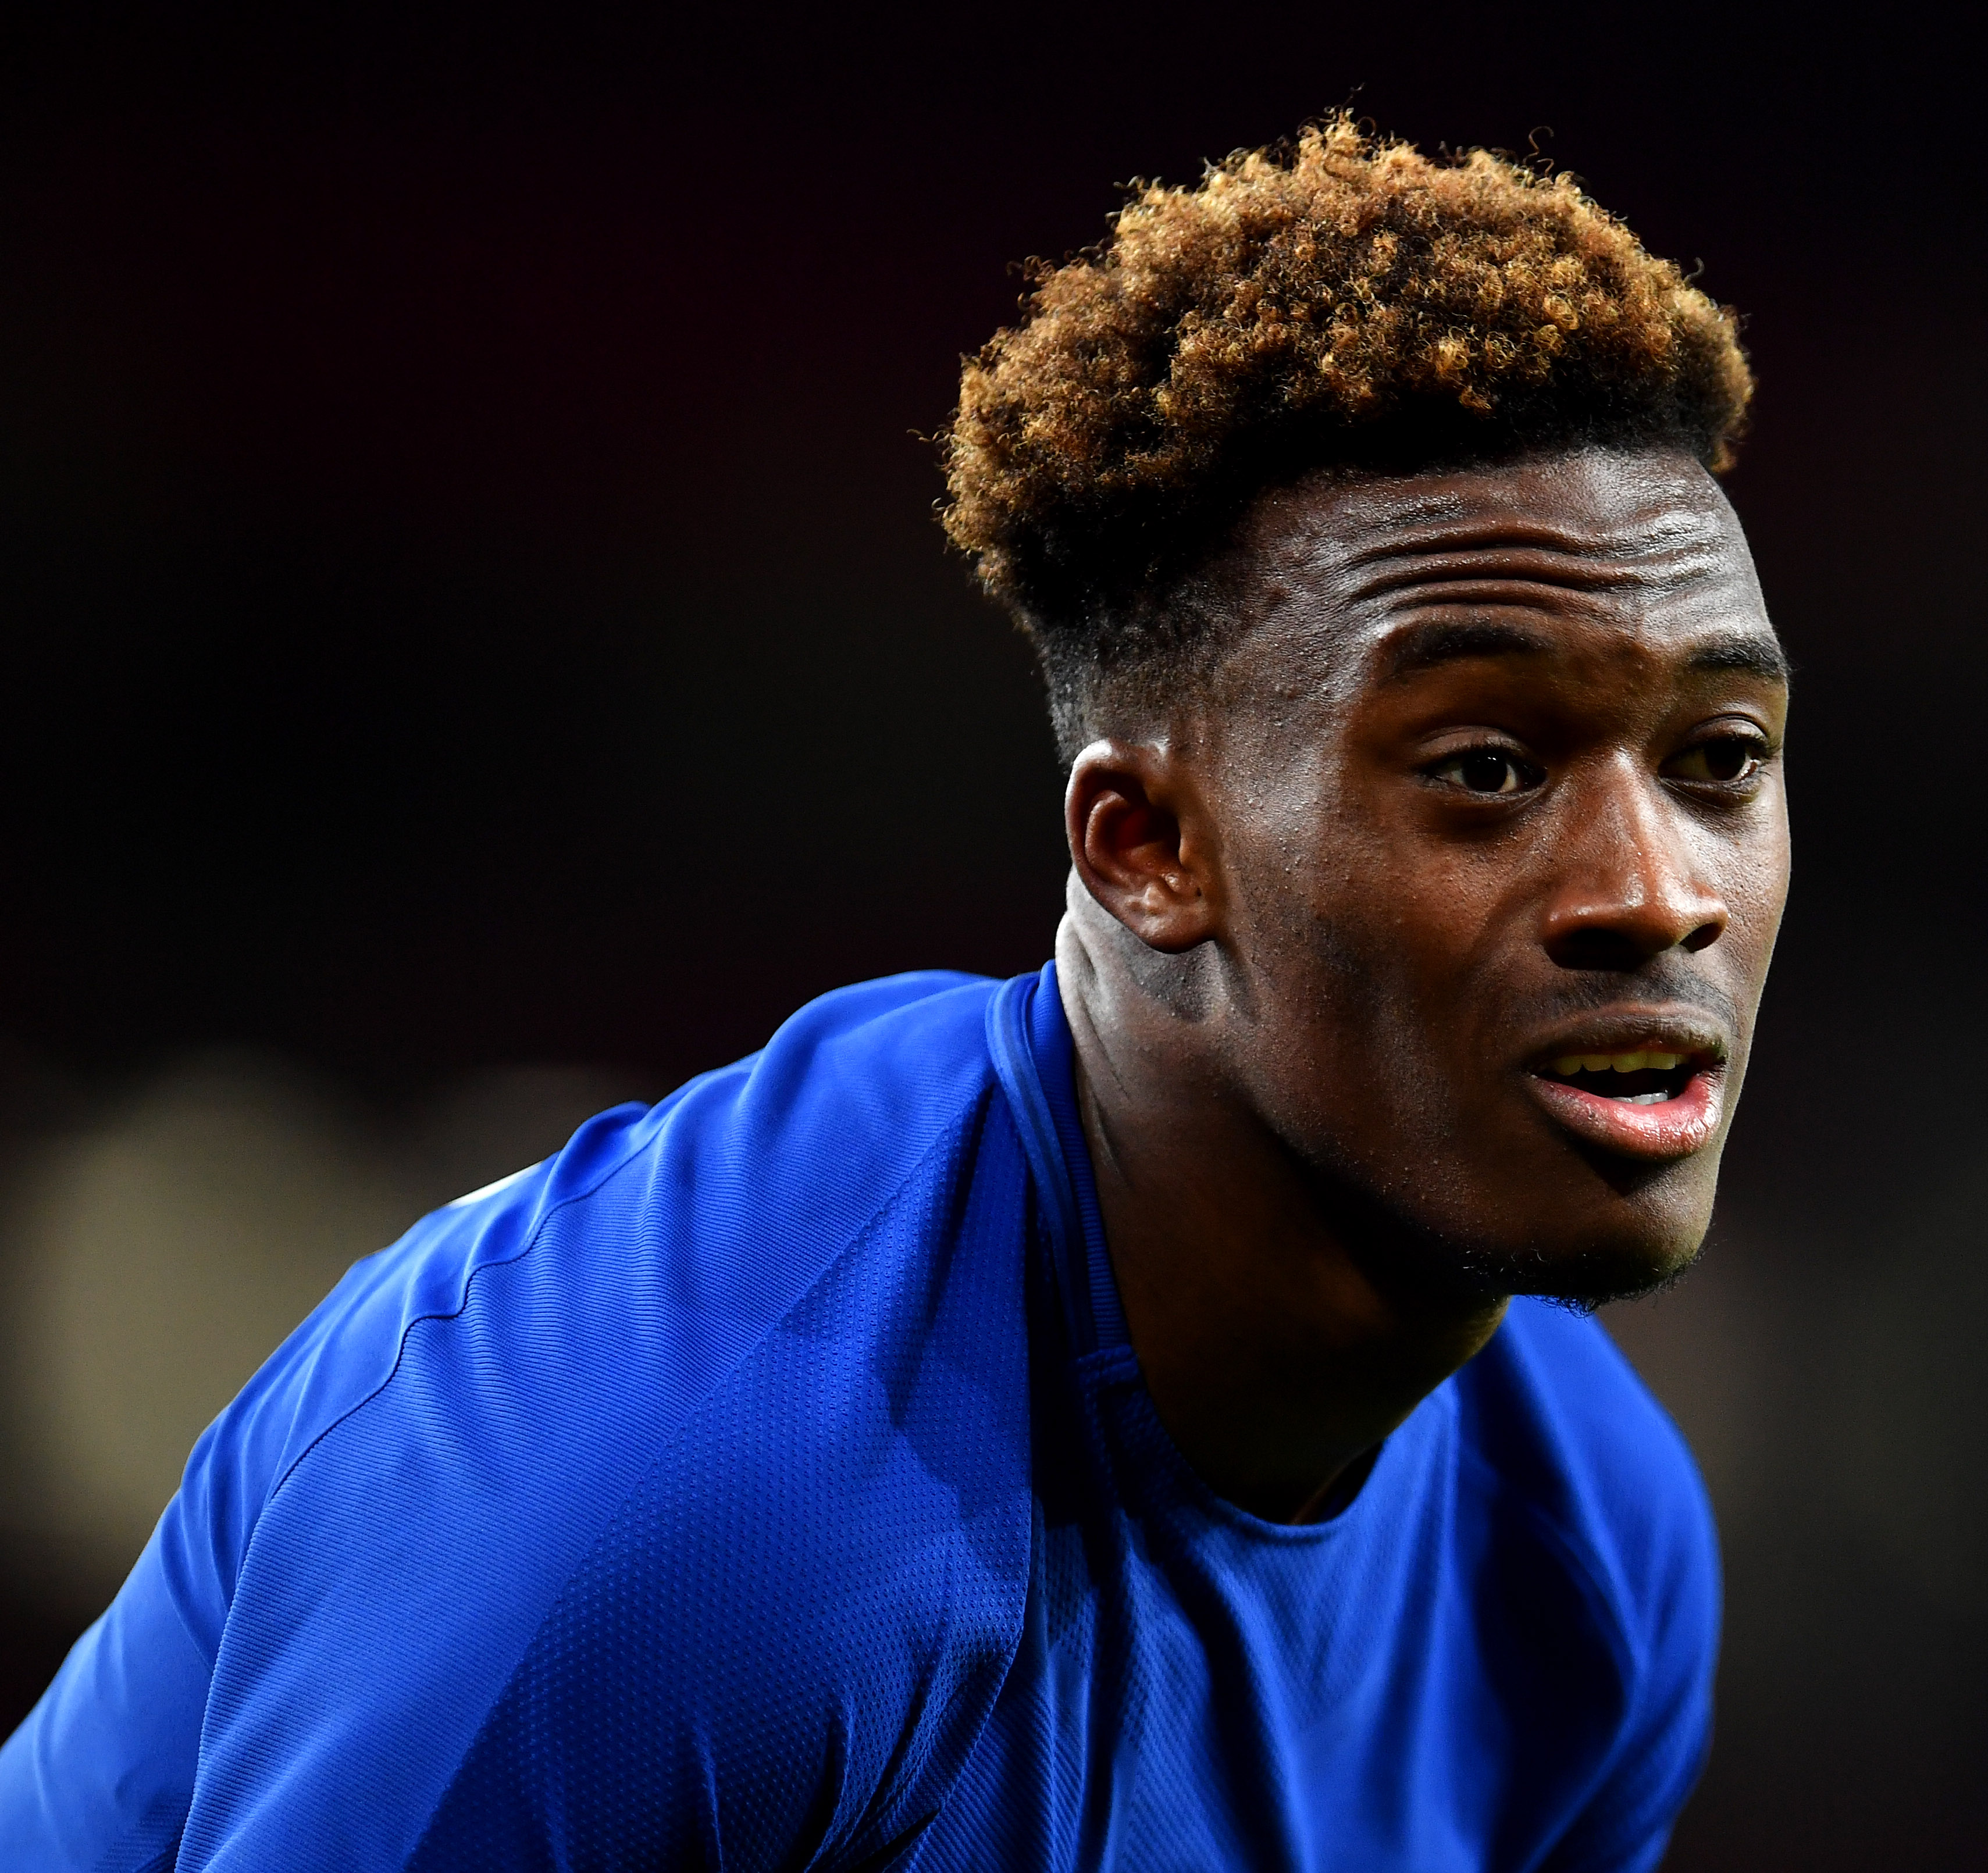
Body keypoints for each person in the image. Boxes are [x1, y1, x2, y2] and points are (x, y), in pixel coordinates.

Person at [0, 116, 1790, 1870]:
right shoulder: (696, 1520)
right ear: (1148, 851)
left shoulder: (1584, 1554)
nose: (1658, 894)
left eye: (1718, 758)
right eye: (1484, 772)